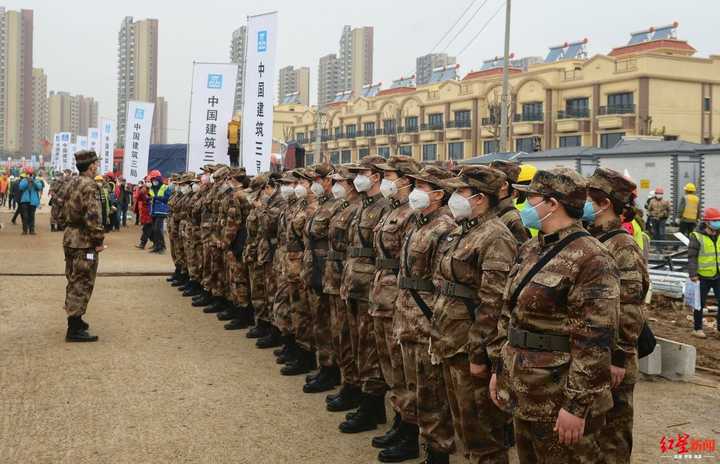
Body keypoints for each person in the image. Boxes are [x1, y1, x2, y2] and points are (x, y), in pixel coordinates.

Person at [488, 167, 620, 464]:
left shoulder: (592, 258)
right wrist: (499, 369)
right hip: (524, 390)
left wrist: (576, 406)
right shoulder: (530, 248)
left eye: (530, 199)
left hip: (558, 395)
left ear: (552, 203)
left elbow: (595, 340)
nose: (525, 206)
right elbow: (509, 314)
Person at [431, 166, 516, 464]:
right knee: (464, 424)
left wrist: (480, 352)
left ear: (480, 198)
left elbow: (493, 302)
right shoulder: (462, 230)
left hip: (469, 345)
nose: (454, 197)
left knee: (482, 433)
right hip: (450, 339)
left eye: (460, 192)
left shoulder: (496, 238)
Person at [583, 168, 650, 463]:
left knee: (613, 438)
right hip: (596, 355)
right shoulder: (595, 238)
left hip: (614, 360)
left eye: (588, 197)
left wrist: (619, 358)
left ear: (605, 203)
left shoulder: (623, 247)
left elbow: (631, 308)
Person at [393, 166, 457, 464]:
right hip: (407, 314)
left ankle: (437, 452)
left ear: (438, 194)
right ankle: (408, 437)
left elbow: (443, 280)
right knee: (409, 384)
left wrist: (436, 322)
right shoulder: (418, 221)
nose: (415, 190)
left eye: (422, 185)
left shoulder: (445, 227)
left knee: (431, 392)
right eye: (415, 184)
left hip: (426, 318)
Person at [62, 150, 105, 342]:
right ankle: (74, 328)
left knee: (73, 278)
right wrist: (98, 240)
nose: (97, 166)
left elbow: (59, 207)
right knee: (82, 282)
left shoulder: (71, 182)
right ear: (91, 166)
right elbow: (93, 216)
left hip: (71, 237)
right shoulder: (90, 186)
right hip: (84, 241)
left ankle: (77, 320)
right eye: (95, 163)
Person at [687, 207, 720, 339]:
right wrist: (693, 274)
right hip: (701, 276)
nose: (717, 223)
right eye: (715, 221)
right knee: (698, 304)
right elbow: (692, 257)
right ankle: (697, 328)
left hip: (718, 275)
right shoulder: (697, 236)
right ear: (706, 222)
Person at [491, 160, 531, 244]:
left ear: (504, 185)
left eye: (489, 179)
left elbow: (523, 253)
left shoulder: (514, 219)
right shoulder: (491, 212)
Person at [148, 170, 171, 253]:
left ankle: (161, 247)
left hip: (162, 211)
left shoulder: (165, 187)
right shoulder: (151, 188)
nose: (154, 181)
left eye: (155, 179)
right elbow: (151, 199)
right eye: (152, 179)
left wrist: (157, 198)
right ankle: (156, 246)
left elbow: (167, 199)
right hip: (153, 211)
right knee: (154, 230)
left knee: (158, 229)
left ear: (159, 179)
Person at [18, 169, 44, 235]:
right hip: (25, 200)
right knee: (25, 216)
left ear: (34, 175)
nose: (30, 175)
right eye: (29, 174)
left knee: (32, 216)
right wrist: (27, 181)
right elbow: (21, 187)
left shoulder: (37, 180)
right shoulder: (24, 180)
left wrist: (33, 181)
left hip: (33, 201)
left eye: (31, 174)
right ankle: (24, 230)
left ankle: (32, 230)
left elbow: (39, 187)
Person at [135, 181, 153, 249]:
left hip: (149, 213)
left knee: (147, 229)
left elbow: (146, 199)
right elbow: (139, 197)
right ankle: (155, 242)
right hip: (146, 213)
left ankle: (143, 244)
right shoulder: (144, 193)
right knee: (149, 229)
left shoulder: (150, 193)